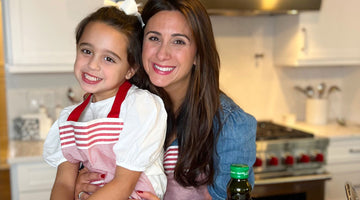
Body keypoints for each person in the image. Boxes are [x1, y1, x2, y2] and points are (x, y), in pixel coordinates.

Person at [75, 0, 257, 199]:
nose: (162, 54)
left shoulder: (232, 124)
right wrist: (80, 186)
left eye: (178, 41)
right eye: (154, 38)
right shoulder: (117, 106)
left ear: (198, 54)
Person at [43, 3, 168, 200]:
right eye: (87, 51)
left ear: (130, 69)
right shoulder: (69, 118)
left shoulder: (140, 107)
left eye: (109, 59)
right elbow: (64, 183)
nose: (92, 65)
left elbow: (123, 184)